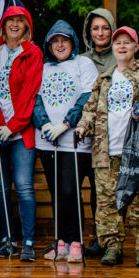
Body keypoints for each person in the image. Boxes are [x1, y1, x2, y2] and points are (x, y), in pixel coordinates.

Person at [76, 27, 139, 267]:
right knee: (107, 202)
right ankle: (112, 247)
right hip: (106, 150)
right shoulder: (105, 78)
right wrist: (82, 127)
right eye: (118, 42)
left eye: (127, 42)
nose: (122, 46)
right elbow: (90, 108)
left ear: (136, 47)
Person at [32, 20, 98, 264]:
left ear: (73, 42)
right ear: (49, 45)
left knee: (70, 191)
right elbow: (34, 97)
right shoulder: (43, 68)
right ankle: (61, 240)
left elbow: (88, 97)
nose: (60, 45)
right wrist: (45, 123)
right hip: (48, 142)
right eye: (55, 41)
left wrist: (67, 123)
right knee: (57, 192)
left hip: (74, 142)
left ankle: (76, 241)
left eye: (64, 40)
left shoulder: (83, 64)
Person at [0, 6, 43, 262]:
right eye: (11, 21)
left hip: (21, 131)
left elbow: (31, 91)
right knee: (0, 187)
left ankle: (28, 241)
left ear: (27, 25)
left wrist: (14, 125)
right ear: (3, 24)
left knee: (25, 186)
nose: (15, 25)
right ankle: (8, 240)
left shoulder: (33, 52)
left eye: (20, 20)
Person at [81, 7, 116, 74]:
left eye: (105, 28)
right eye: (95, 28)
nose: (100, 33)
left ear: (112, 30)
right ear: (90, 32)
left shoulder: (121, 58)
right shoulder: (81, 60)